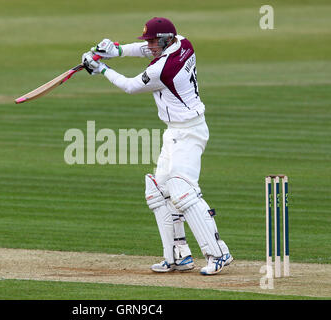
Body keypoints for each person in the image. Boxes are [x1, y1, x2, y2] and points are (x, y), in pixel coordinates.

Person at [82, 17, 233, 275]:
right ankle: (178, 255)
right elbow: (144, 50)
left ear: (164, 40)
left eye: (153, 41)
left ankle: (218, 253)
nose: (149, 45)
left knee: (182, 191)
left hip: (189, 132)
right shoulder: (183, 42)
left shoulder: (163, 69)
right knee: (158, 191)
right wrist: (115, 51)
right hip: (176, 131)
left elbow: (130, 86)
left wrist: (102, 69)